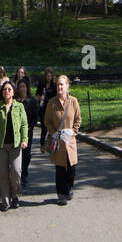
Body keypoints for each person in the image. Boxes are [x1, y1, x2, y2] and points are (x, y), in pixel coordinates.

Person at [0, 80, 28, 211]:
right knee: (3, 174)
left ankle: (15, 196)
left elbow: (24, 124)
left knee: (16, 171)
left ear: (13, 92)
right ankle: (5, 201)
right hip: (1, 145)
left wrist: (25, 139)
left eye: (9, 89)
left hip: (16, 145)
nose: (7, 91)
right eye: (4, 89)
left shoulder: (19, 106)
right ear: (2, 92)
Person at [44, 74, 82, 205]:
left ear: (67, 86)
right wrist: (54, 133)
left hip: (70, 141)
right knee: (60, 169)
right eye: (58, 84)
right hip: (58, 141)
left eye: (62, 84)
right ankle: (62, 195)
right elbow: (47, 121)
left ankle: (69, 188)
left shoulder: (73, 101)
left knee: (72, 168)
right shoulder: (51, 103)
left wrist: (73, 133)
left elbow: (78, 120)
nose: (60, 87)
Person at [16, 78, 39, 189]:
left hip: (28, 132)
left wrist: (31, 127)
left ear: (27, 88)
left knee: (26, 155)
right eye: (20, 87)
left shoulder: (32, 101)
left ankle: (24, 174)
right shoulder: (15, 100)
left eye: (24, 86)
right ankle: (18, 175)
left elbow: (35, 116)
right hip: (16, 132)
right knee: (17, 155)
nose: (22, 89)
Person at [37, 68, 56, 149]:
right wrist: (40, 98)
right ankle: (42, 144)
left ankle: (49, 142)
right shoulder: (42, 84)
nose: (49, 77)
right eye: (47, 76)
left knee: (51, 125)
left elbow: (56, 96)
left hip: (51, 107)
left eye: (50, 76)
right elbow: (37, 94)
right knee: (44, 126)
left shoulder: (54, 85)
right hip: (43, 107)